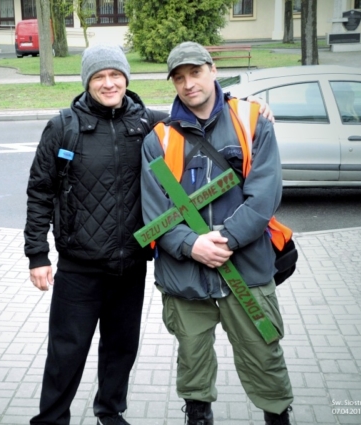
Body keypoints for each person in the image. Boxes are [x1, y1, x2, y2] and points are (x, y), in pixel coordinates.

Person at [24, 44, 273, 425]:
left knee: (121, 349)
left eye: (115, 75)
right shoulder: (64, 127)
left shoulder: (147, 124)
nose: (109, 83)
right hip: (79, 266)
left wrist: (246, 106)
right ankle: (51, 420)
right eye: (99, 77)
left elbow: (198, 114)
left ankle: (110, 412)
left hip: (129, 265)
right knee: (66, 351)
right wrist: (37, 254)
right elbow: (40, 191)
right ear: (87, 82)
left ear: (126, 78)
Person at [140, 42, 294, 425]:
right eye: (179, 77)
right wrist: (192, 246)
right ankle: (198, 416)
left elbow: (265, 196)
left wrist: (224, 242)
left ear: (213, 70)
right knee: (192, 363)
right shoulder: (159, 139)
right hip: (185, 277)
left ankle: (278, 417)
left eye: (195, 72)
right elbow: (155, 213)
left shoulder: (252, 120)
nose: (188, 83)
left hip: (246, 271)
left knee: (264, 356)